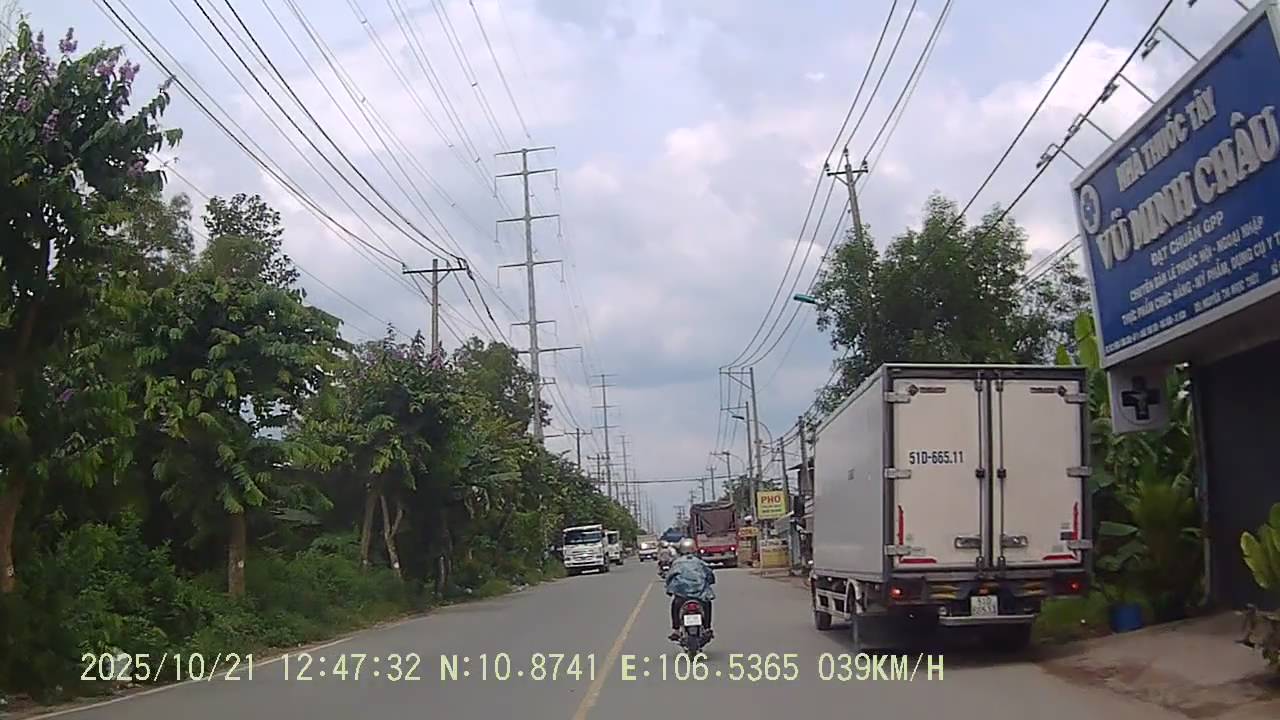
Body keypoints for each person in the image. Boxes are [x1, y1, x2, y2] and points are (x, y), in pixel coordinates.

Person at [664, 538, 715, 640]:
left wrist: (669, 589)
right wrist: (710, 582)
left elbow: (669, 577)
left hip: (682, 595)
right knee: (707, 604)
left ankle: (676, 630)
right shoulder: (699, 562)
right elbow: (709, 575)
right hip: (700, 594)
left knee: (675, 606)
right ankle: (707, 628)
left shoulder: (676, 563)